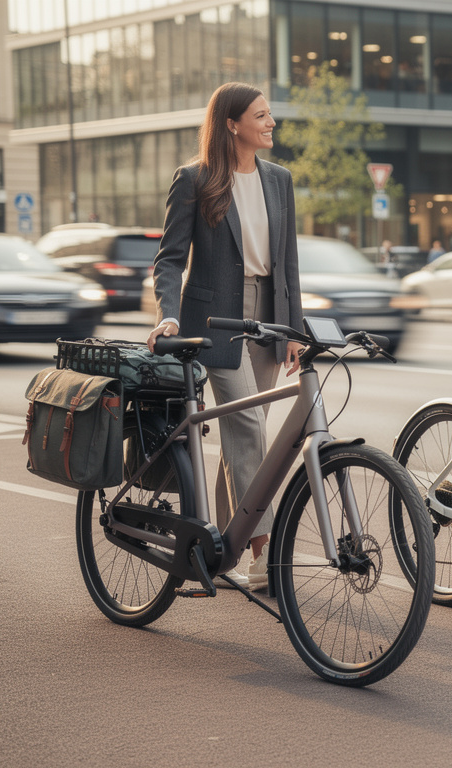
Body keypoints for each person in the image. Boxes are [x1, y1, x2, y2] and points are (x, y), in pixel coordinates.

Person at [148, 82, 304, 591]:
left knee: (249, 429)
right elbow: (170, 260)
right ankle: (264, 553)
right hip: (213, 322)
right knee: (248, 430)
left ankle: (222, 541)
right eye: (261, 115)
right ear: (232, 124)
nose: (271, 122)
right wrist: (167, 315)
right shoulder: (195, 180)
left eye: (270, 115)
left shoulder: (279, 180)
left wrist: (295, 330)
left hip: (268, 317)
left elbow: (289, 266)